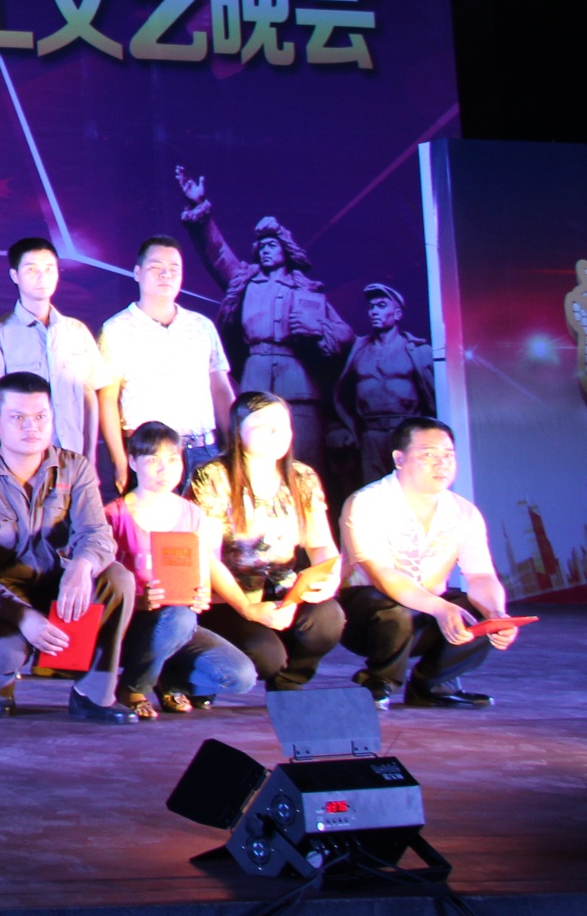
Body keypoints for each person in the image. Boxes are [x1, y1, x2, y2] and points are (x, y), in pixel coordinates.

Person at [0, 372, 138, 723]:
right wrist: (23, 616)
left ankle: (93, 694)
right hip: (1, 598)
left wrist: (82, 566)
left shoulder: (75, 468)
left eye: (40, 416)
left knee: (118, 578)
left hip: (60, 587)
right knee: (6, 653)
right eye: (18, 417)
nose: (31, 426)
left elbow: (97, 534)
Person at [176, 169, 353, 469]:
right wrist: (200, 208)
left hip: (297, 380)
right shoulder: (245, 282)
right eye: (262, 246)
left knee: (304, 459)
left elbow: (344, 334)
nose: (266, 250)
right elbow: (218, 254)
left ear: (286, 249)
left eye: (272, 245)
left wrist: (317, 329)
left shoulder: (306, 290)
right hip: (255, 374)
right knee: (250, 457)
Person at [337, 416, 517, 708]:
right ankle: (377, 684)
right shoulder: (367, 502)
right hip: (367, 616)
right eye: (429, 455)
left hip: (428, 612)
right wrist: (440, 608)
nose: (441, 464)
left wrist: (498, 614)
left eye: (448, 455)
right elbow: (382, 574)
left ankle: (432, 685)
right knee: (393, 611)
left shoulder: (463, 512)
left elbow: (481, 575)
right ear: (399, 458)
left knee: (482, 614)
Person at [190, 390, 343, 690]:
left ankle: (289, 684)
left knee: (327, 618)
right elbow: (206, 556)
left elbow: (320, 544)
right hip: (230, 598)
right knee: (266, 657)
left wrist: (329, 578)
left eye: (283, 426)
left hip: (285, 591)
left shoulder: (302, 476)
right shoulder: (213, 477)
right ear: (238, 431)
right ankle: (192, 680)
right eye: (263, 426)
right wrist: (247, 609)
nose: (276, 434)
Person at [109, 421, 256, 713]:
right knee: (179, 616)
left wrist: (200, 596)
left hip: (178, 623)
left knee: (239, 676)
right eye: (153, 460)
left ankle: (167, 678)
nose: (164, 470)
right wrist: (138, 600)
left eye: (172, 459)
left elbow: (201, 573)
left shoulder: (193, 514)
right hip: (128, 624)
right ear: (133, 462)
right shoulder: (114, 515)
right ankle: (133, 689)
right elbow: (100, 584)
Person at [98, 236, 235, 490]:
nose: (166, 275)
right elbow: (107, 400)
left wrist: (234, 448)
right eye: (156, 267)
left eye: (174, 269)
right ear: (137, 273)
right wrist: (119, 460)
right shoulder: (116, 329)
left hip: (204, 451)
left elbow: (220, 390)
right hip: (149, 455)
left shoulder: (202, 326)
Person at [0, 238, 112, 467]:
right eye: (32, 269)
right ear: (15, 275)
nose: (42, 277)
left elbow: (89, 395)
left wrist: (90, 457)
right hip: (22, 461)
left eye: (49, 269)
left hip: (72, 458)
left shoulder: (77, 331)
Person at [330, 285, 436, 487]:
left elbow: (433, 398)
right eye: (371, 307)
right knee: (373, 491)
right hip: (370, 435)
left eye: (381, 306)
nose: (374, 312)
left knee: (410, 489)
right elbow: (341, 396)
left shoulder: (417, 351)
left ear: (397, 313)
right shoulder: (359, 350)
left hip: (406, 433)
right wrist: (347, 428)